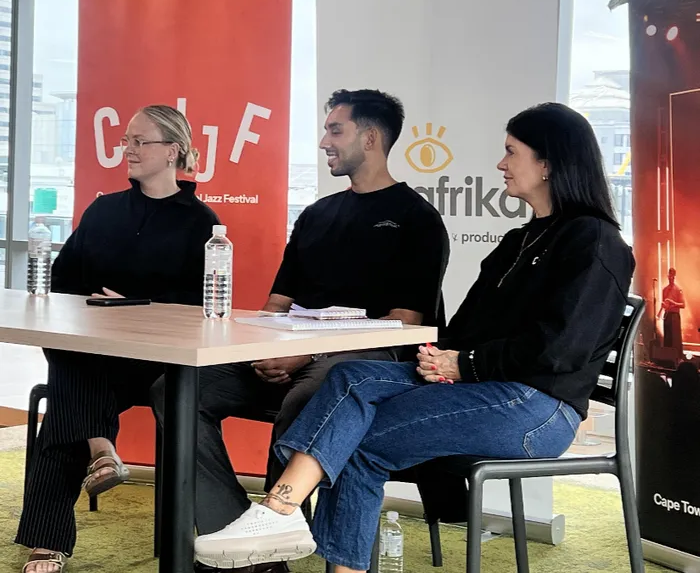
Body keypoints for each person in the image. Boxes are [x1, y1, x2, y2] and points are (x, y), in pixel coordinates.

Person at [194, 102, 636, 573]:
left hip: (538, 408)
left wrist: (464, 364)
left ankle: (278, 510)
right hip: (485, 387)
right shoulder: (518, 241)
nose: (500, 164)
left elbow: (561, 349)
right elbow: (465, 331)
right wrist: (440, 358)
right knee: (349, 376)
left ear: (547, 162)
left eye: (511, 152)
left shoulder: (596, 242)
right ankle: (278, 513)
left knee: (355, 439)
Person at [155, 89, 449, 573]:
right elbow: (277, 304)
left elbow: (404, 325)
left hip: (364, 368)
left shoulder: (418, 220)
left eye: (335, 130)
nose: (323, 142)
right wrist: (259, 349)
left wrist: (307, 356)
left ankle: (272, 528)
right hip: (294, 358)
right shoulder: (317, 214)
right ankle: (247, 547)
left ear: (370, 138)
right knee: (176, 390)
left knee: (309, 396)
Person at [16, 105, 220, 573]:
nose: (127, 149)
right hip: (90, 350)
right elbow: (62, 280)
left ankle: (52, 532)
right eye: (126, 140)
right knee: (72, 359)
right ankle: (101, 451)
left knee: (67, 394)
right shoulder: (104, 209)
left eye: (139, 141)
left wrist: (136, 306)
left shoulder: (201, 224)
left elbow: (201, 306)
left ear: (172, 151)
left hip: (152, 361)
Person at [658, 268, 685, 364]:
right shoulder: (664, 290)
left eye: (672, 276)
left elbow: (683, 305)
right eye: (670, 276)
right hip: (667, 315)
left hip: (675, 316)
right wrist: (662, 308)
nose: (671, 278)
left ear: (674, 277)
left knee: (675, 338)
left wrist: (673, 303)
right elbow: (664, 303)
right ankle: (667, 359)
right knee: (667, 337)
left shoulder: (678, 289)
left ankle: (677, 359)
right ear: (668, 276)